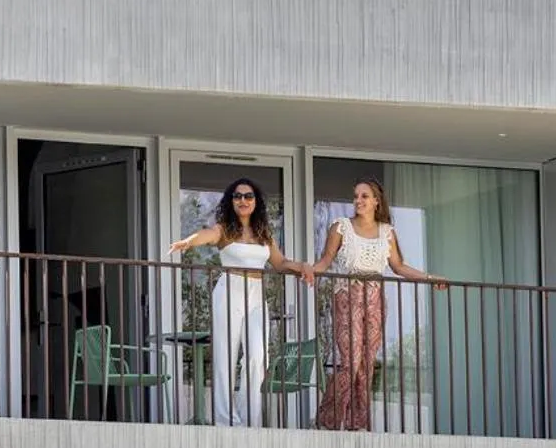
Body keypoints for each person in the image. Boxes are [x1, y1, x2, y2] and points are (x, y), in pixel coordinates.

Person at [170, 180, 309, 427]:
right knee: (225, 356)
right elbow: (207, 235)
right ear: (231, 201)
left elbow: (279, 263)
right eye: (237, 196)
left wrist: (303, 267)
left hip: (257, 294)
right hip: (229, 290)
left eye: (248, 196)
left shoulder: (264, 233)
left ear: (256, 202)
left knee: (258, 356)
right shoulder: (225, 229)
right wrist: (188, 242)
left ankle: (250, 420)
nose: (243, 200)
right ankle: (226, 421)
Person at [310, 179, 444, 433]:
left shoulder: (386, 232)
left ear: (376, 201)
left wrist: (430, 277)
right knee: (350, 361)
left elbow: (399, 267)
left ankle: (357, 424)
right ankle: (326, 421)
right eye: (355, 196)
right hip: (347, 296)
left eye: (364, 196)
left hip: (375, 297)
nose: (358, 200)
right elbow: (325, 261)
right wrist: (305, 270)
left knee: (366, 363)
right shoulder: (341, 227)